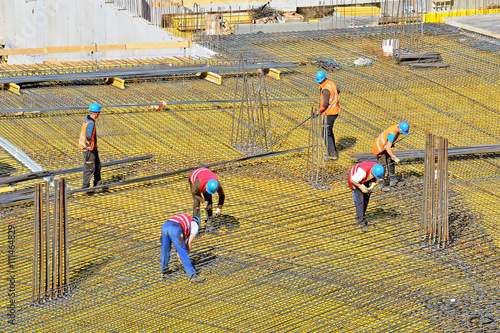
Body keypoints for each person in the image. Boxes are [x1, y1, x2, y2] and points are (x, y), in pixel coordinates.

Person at [160, 214, 205, 283]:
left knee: (165, 250)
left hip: (165, 226)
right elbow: (188, 243)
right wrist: (184, 255)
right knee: (183, 251)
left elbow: (177, 243)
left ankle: (164, 271)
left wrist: (179, 256)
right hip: (175, 227)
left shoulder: (185, 221)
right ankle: (193, 275)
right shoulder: (195, 225)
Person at [372, 121, 410, 191]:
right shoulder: (392, 133)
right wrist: (394, 157)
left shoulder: (397, 128)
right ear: (399, 129)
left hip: (385, 147)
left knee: (391, 162)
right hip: (380, 149)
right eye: (402, 132)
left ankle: (393, 179)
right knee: (383, 165)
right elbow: (388, 148)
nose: (401, 134)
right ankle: (381, 184)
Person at [348, 162, 385, 230]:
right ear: (372, 171)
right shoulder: (362, 173)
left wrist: (373, 184)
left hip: (365, 179)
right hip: (355, 180)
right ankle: (361, 222)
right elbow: (352, 180)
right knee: (360, 201)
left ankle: (360, 215)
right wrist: (361, 187)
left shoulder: (376, 167)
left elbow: (375, 176)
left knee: (366, 198)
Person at [189, 167, 225, 233]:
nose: (208, 192)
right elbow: (195, 194)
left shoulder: (216, 185)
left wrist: (219, 208)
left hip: (206, 175)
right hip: (196, 176)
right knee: (197, 203)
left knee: (209, 202)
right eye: (207, 190)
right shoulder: (197, 185)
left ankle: (209, 224)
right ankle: (196, 226)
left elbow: (222, 195)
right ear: (206, 186)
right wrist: (203, 201)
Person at [315, 70, 341, 160]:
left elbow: (325, 104)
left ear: (322, 80)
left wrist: (318, 111)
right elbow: (338, 91)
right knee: (329, 131)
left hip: (330, 112)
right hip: (335, 110)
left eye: (319, 81)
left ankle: (332, 154)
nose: (319, 83)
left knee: (326, 133)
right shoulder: (331, 83)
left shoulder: (326, 89)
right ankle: (331, 151)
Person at [78, 103, 102, 189]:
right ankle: (85, 186)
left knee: (97, 165)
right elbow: (88, 135)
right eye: (99, 113)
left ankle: (97, 183)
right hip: (88, 149)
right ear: (96, 113)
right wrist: (90, 142)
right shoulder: (90, 123)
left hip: (92, 148)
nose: (99, 114)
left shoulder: (87, 120)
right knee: (90, 167)